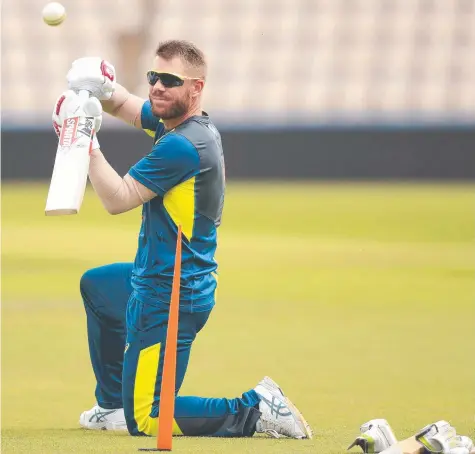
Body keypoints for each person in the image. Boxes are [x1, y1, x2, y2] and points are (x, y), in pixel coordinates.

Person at [52, 39, 312, 439]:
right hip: (158, 277)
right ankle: (110, 405)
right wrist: (97, 86)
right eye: (154, 76)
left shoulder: (183, 146)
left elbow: (118, 199)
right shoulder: (177, 123)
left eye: (169, 80)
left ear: (196, 88)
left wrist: (85, 139)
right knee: (99, 286)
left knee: (147, 418)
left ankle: (255, 409)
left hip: (170, 296)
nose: (157, 86)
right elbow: (122, 103)